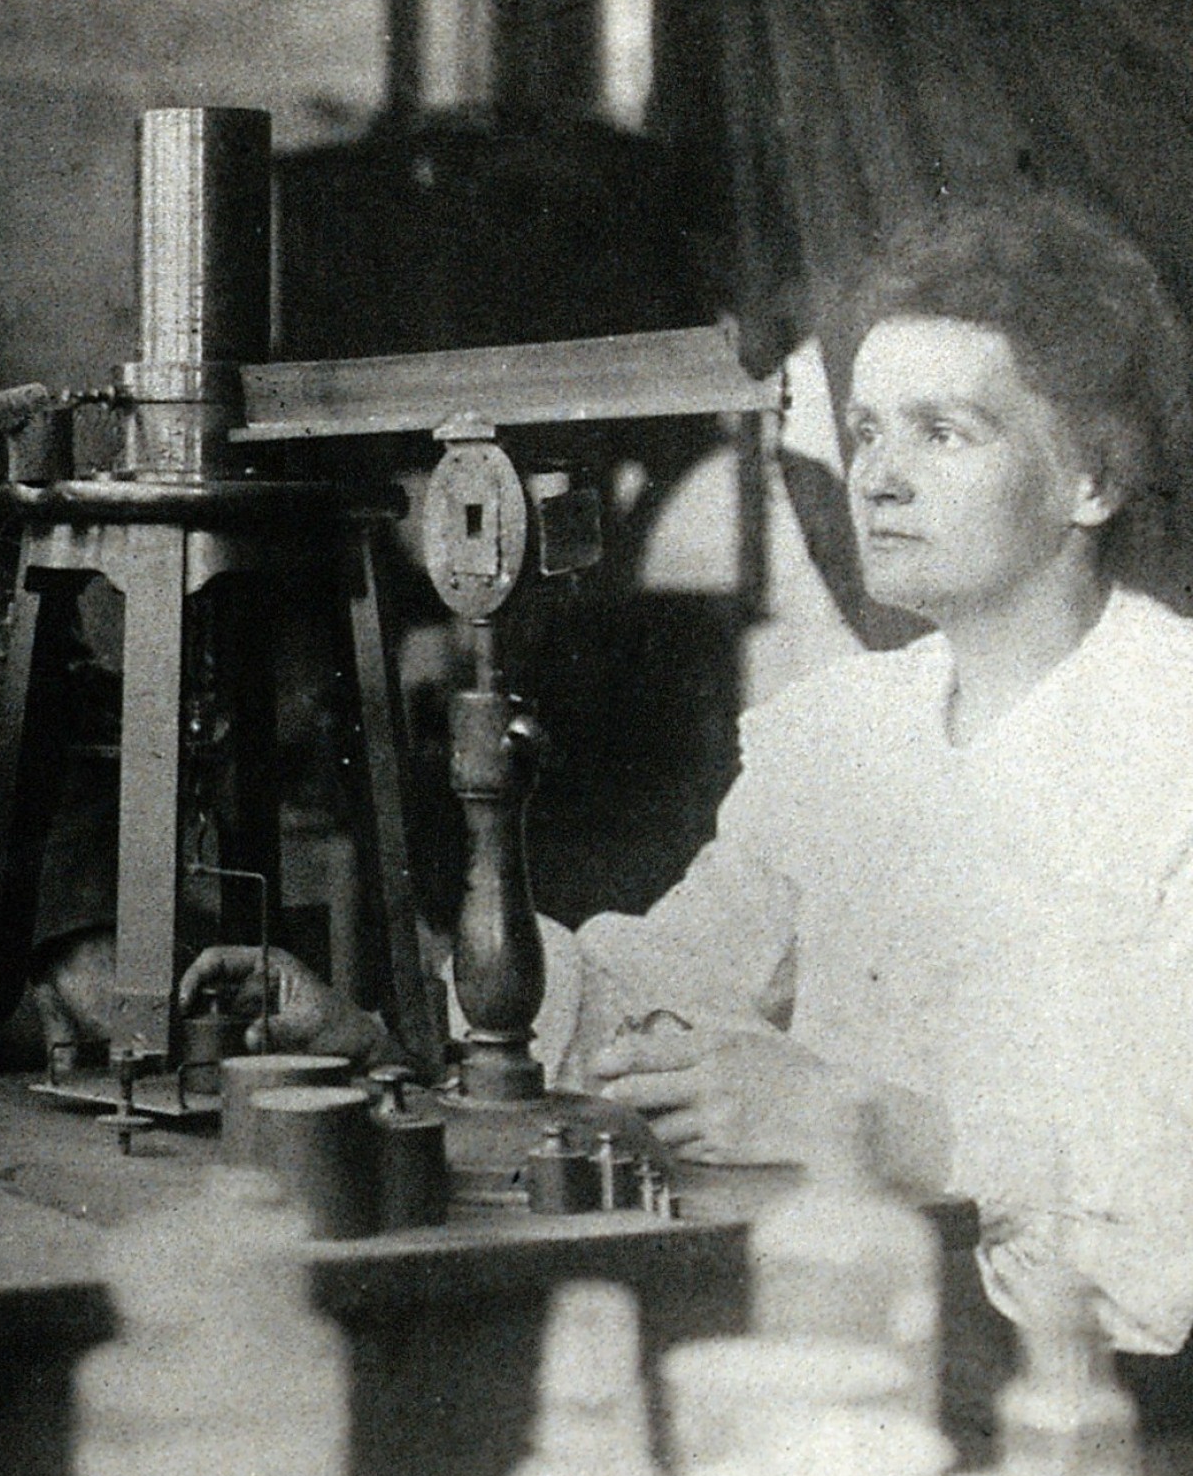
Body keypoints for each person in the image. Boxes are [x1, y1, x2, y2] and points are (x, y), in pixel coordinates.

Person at [184, 193, 1193, 1354]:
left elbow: (1171, 1214)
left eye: (943, 431)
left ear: (1094, 480)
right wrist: (386, 1026)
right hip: (823, 1331)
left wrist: (870, 1124)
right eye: (863, 429)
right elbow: (660, 997)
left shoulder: (1168, 739)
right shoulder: (845, 734)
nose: (875, 478)